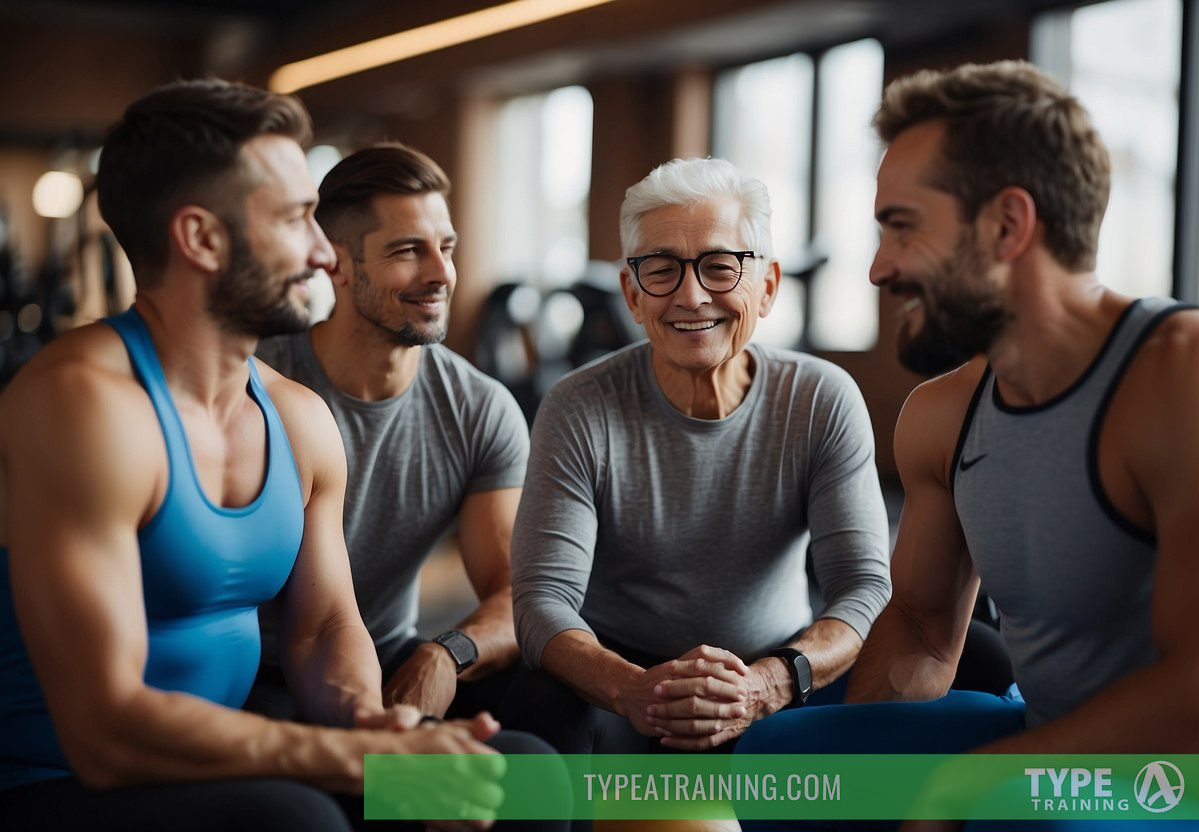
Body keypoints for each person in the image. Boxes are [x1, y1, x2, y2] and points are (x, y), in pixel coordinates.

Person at [0, 78, 562, 832]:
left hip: (229, 759)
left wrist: (377, 728)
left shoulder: (296, 418)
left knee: (522, 780)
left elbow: (324, 628)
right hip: (64, 777)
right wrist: (352, 763)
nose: (325, 251)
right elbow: (105, 733)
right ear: (201, 238)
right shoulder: (83, 406)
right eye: (298, 219)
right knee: (291, 819)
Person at [735, 60, 1199, 830]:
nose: (878, 268)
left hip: (1180, 776)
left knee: (1021, 816)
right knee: (784, 763)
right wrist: (860, 800)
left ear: (1006, 225)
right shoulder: (944, 413)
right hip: (1045, 738)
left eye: (902, 227)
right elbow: (922, 628)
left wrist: (966, 786)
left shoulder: (1185, 376)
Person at [502, 156, 893, 757]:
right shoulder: (578, 406)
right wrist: (638, 692)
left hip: (780, 669)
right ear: (632, 295)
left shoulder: (821, 398)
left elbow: (864, 588)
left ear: (766, 287)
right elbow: (540, 604)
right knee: (533, 727)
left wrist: (769, 682)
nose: (691, 295)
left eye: (719, 266)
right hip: (617, 677)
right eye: (661, 270)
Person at [250, 142, 528, 722]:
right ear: (337, 262)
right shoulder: (257, 384)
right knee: (332, 809)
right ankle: (394, 795)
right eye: (408, 250)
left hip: (390, 657)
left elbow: (514, 593)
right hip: (259, 673)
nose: (441, 274)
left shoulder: (479, 408)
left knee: (540, 750)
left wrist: (446, 654)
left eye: (446, 247)